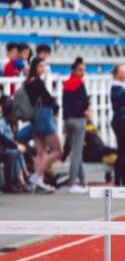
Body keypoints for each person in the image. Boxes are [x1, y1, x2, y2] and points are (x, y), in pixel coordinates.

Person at [24, 57, 60, 190]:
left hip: (34, 119)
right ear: (34, 67)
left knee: (41, 153)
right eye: (40, 66)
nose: (43, 69)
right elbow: (48, 98)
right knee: (58, 151)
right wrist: (56, 109)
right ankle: (36, 176)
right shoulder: (38, 82)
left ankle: (39, 182)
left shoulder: (27, 83)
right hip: (44, 119)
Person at [62, 57, 90, 194]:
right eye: (80, 70)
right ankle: (72, 183)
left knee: (75, 151)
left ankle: (83, 181)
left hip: (67, 120)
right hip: (78, 119)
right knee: (77, 153)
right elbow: (85, 103)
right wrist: (83, 106)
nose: (82, 72)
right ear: (74, 70)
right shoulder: (79, 83)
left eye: (84, 70)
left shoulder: (66, 83)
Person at [0, 96, 32, 194]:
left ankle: (20, 180)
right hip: (3, 147)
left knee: (17, 152)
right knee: (14, 152)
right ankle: (17, 181)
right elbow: (2, 138)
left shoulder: (8, 123)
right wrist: (15, 145)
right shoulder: (2, 122)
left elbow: (10, 139)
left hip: (6, 146)